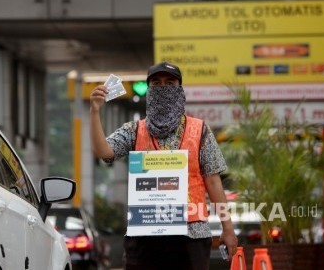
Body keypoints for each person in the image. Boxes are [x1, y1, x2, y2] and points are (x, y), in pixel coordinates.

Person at [89, 61, 238, 270]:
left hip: (191, 235)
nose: (163, 87)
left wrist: (227, 228)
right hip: (145, 235)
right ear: (149, 90)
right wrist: (94, 112)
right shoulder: (134, 130)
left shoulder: (200, 130)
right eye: (156, 83)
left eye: (170, 83)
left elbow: (213, 182)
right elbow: (104, 151)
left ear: (180, 89)